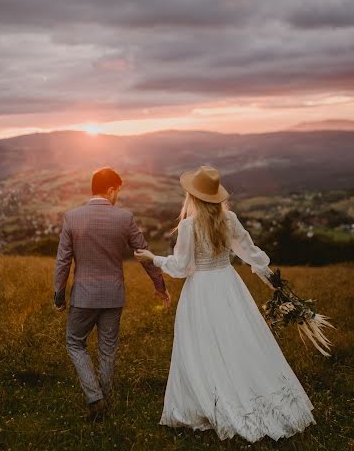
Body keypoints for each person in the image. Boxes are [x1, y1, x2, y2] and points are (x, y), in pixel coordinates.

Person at [135, 165, 316, 443]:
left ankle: (209, 398)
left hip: (201, 291)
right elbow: (250, 252)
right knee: (238, 340)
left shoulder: (188, 226)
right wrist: (271, 279)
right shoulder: (229, 219)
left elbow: (183, 267)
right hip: (229, 287)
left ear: (193, 197)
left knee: (202, 345)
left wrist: (153, 258)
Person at [53, 167, 171, 420]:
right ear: (110, 190)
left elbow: (63, 261)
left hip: (83, 296)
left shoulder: (72, 217)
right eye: (117, 191)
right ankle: (104, 403)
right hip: (113, 296)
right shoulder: (124, 218)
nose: (118, 196)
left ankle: (95, 398)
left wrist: (59, 295)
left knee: (75, 343)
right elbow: (144, 255)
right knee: (108, 351)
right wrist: (159, 287)